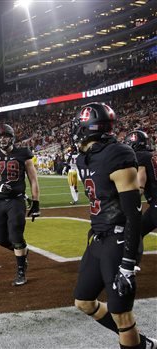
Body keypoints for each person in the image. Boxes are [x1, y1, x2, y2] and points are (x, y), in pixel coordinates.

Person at [70, 102, 157, 349]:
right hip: (99, 238)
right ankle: (141, 343)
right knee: (84, 301)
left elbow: (133, 214)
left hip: (118, 242)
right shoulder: (85, 158)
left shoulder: (117, 154)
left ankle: (136, 343)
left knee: (122, 314)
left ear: (88, 128)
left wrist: (128, 264)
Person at [0, 124, 40, 286]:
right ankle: (22, 252)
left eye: (5, 136)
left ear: (12, 137)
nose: (3, 140)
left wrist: (36, 202)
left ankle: (21, 270)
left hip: (16, 200)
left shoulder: (23, 153)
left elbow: (33, 179)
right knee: (1, 239)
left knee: (16, 234)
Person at [123, 130, 156, 238]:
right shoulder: (151, 155)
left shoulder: (139, 156)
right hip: (154, 203)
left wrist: (138, 191)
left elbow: (141, 174)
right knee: (137, 232)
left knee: (136, 233)